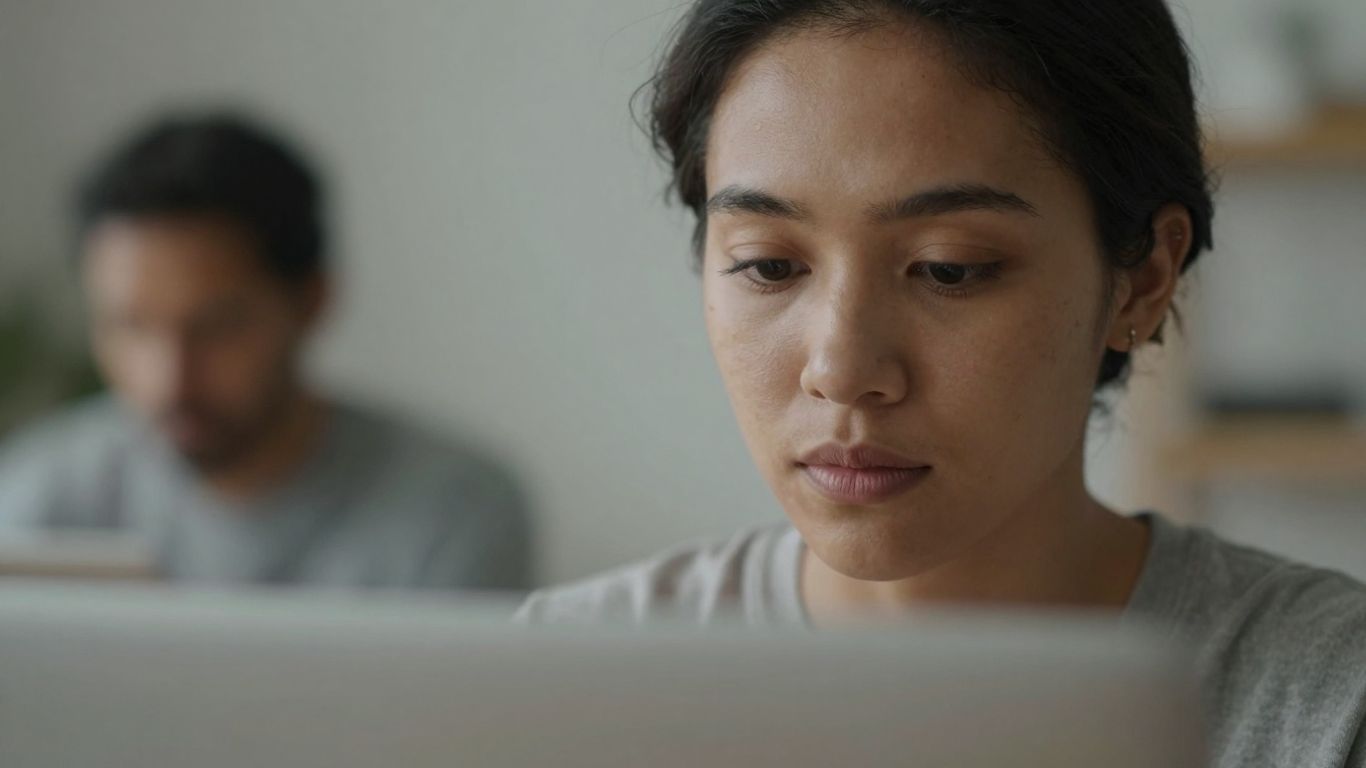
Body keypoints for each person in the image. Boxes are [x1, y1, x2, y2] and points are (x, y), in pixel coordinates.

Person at [517, 1, 1366, 765]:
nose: (842, 369)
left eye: (950, 271)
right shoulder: (555, 686)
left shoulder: (1328, 704)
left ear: (1141, 278)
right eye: (769, 264)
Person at [0, 113, 531, 590]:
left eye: (217, 327)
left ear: (312, 302)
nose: (168, 380)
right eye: (130, 327)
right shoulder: (38, 501)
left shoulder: (453, 510)